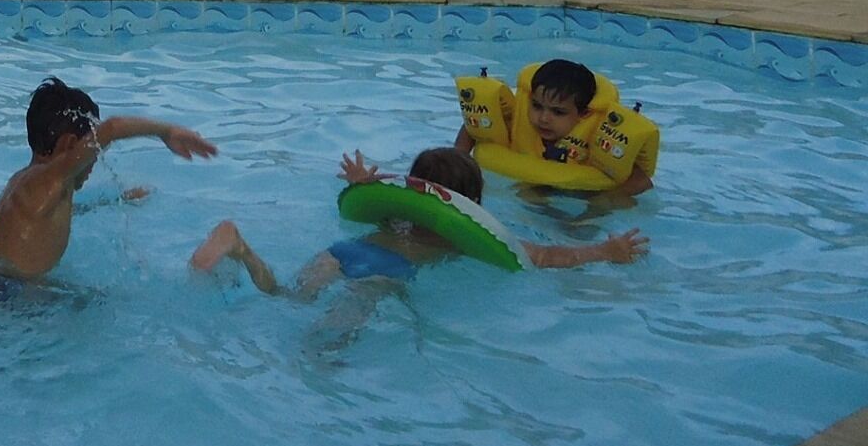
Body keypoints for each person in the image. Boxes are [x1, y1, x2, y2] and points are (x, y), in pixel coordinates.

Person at [189, 147, 648, 302]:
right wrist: (603, 252)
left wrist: (361, 183)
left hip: (345, 251)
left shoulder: (398, 216)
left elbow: (366, 205)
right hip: (385, 273)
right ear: (472, 203)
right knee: (333, 336)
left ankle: (242, 248)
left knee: (289, 299)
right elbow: (547, 256)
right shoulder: (466, 237)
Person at [0, 77, 216, 286]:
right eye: (92, 151)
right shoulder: (51, 179)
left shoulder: (26, 183)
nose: (93, 161)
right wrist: (166, 131)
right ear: (69, 145)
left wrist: (114, 202)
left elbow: (52, 220)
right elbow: (112, 127)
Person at [454, 56, 653, 197]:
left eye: (558, 112)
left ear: (584, 114)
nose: (543, 118)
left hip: (573, 196)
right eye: (537, 106)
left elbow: (641, 181)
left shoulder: (599, 133)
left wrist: (599, 208)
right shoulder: (517, 116)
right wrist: (458, 164)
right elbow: (473, 128)